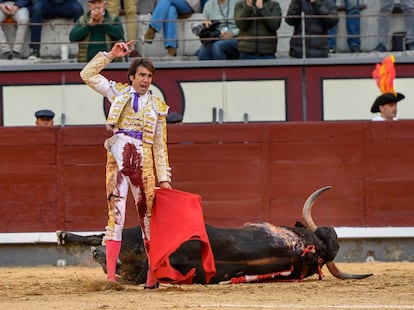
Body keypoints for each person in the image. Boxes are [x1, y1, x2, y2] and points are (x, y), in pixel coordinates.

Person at [80, 41, 172, 288]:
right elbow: (87, 74)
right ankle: (111, 278)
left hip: (144, 163)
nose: (146, 80)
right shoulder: (117, 93)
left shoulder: (158, 108)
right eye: (141, 75)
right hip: (118, 161)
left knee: (148, 219)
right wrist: (111, 55)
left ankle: (152, 279)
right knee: (116, 215)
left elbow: (161, 147)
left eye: (149, 76)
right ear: (131, 77)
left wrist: (164, 178)